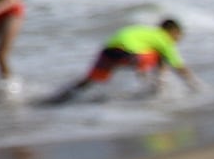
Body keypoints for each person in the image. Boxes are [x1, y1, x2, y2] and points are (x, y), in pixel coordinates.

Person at [44, 17, 199, 106]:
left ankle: (58, 99)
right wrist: (196, 87)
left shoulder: (146, 32)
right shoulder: (163, 38)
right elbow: (180, 67)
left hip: (109, 50)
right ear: (173, 32)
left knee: (91, 80)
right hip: (128, 53)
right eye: (179, 35)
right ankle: (153, 92)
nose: (178, 39)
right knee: (160, 56)